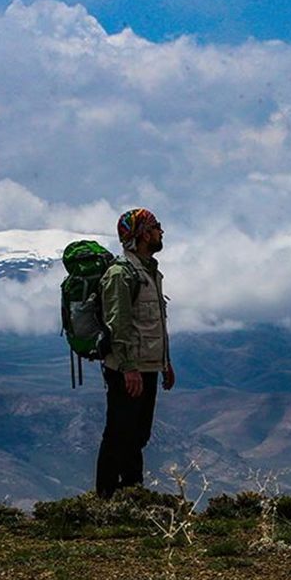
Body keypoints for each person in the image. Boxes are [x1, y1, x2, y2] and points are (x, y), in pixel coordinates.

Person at [95, 208, 175, 499]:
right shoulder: (121, 274)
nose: (160, 232)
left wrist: (165, 363)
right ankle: (105, 497)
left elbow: (152, 323)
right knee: (119, 434)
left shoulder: (150, 271)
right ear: (141, 234)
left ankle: (131, 495)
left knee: (138, 435)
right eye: (156, 226)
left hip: (148, 367)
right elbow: (119, 324)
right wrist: (129, 368)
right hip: (127, 370)